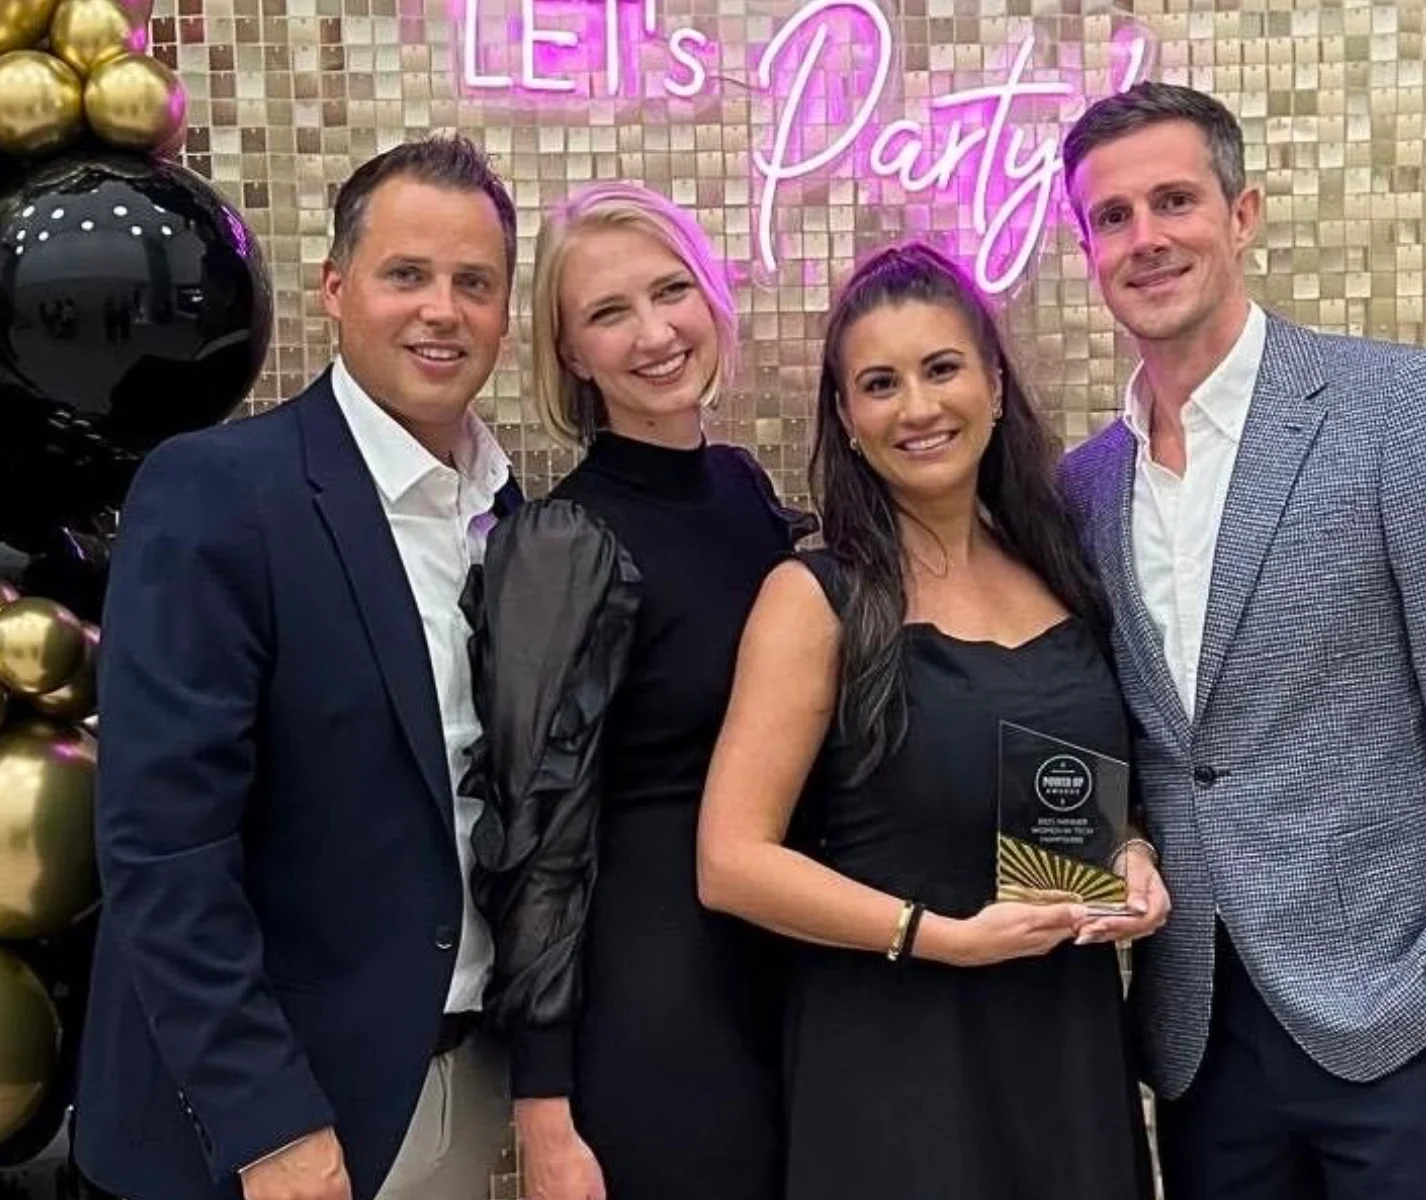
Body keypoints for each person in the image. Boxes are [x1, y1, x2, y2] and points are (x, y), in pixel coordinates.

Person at [1055, 81, 1426, 1200]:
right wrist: (1109, 847)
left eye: (1175, 201)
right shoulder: (1085, 486)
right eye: (1112, 217)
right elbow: (1108, 726)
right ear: (1086, 250)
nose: (1146, 238)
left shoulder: (1400, 410)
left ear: (1241, 214)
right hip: (1198, 1037)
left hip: (1403, 1022)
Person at [74, 135, 521, 1200]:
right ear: (333, 289)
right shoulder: (218, 494)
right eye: (406, 274)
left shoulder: (513, 520)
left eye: (474, 283)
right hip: (268, 1126)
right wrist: (268, 1122)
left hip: (457, 1093)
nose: (442, 311)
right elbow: (163, 847)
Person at [697, 242, 1162, 1200]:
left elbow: (1084, 787)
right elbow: (731, 863)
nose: (917, 407)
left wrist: (1132, 853)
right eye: (880, 384)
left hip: (1062, 1041)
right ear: (846, 418)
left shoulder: (1064, 566)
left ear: (995, 383)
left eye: (941, 368)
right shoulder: (815, 598)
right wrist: (940, 937)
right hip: (898, 1057)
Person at [465, 181, 808, 1200]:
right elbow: (534, 834)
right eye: (609, 313)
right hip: (654, 1005)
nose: (654, 334)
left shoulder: (745, 492)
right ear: (570, 353)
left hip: (788, 973)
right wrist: (544, 1105)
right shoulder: (560, 543)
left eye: (671, 291)